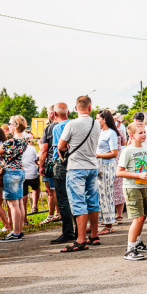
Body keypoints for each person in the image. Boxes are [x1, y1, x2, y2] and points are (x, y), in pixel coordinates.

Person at [57, 96, 101, 252]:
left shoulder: (72, 124)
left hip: (76, 167)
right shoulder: (96, 124)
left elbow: (61, 146)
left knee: (78, 202)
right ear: (90, 108)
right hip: (92, 165)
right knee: (93, 201)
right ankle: (94, 235)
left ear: (75, 108)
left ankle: (81, 239)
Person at [117, 121, 147, 261]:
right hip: (132, 187)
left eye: (145, 132)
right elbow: (119, 172)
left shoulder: (146, 149)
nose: (144, 135)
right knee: (138, 217)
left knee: (143, 216)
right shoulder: (127, 151)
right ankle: (130, 249)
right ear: (132, 135)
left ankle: (138, 242)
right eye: (140, 133)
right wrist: (138, 175)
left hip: (144, 187)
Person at [48, 103, 75, 244]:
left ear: (54, 114)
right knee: (74, 197)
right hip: (75, 164)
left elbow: (59, 147)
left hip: (61, 163)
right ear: (68, 112)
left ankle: (68, 231)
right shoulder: (73, 124)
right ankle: (78, 230)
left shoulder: (57, 127)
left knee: (63, 199)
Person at [0, 115, 29, 242]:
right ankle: (19, 230)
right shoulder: (24, 140)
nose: (9, 125)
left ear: (15, 125)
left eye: (10, 123)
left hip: (11, 172)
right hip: (20, 170)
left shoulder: (11, 142)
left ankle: (16, 232)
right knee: (19, 202)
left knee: (13, 204)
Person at [95, 109, 120, 235]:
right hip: (99, 166)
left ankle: (109, 224)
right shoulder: (100, 132)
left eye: (98, 118)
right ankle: (101, 221)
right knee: (99, 195)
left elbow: (114, 153)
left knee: (106, 194)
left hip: (107, 167)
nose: (96, 121)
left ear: (104, 119)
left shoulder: (111, 133)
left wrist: (98, 155)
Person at [37, 109, 59, 224]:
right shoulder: (66, 126)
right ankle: (58, 213)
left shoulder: (49, 128)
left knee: (51, 192)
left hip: (50, 163)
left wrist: (41, 166)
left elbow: (44, 150)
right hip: (63, 162)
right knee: (58, 191)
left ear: (52, 114)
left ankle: (50, 215)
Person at [21, 140, 40, 215]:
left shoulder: (15, 148)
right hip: (33, 174)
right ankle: (34, 205)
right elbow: (36, 161)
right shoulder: (32, 148)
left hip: (22, 174)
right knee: (36, 188)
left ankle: (24, 218)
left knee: (24, 197)